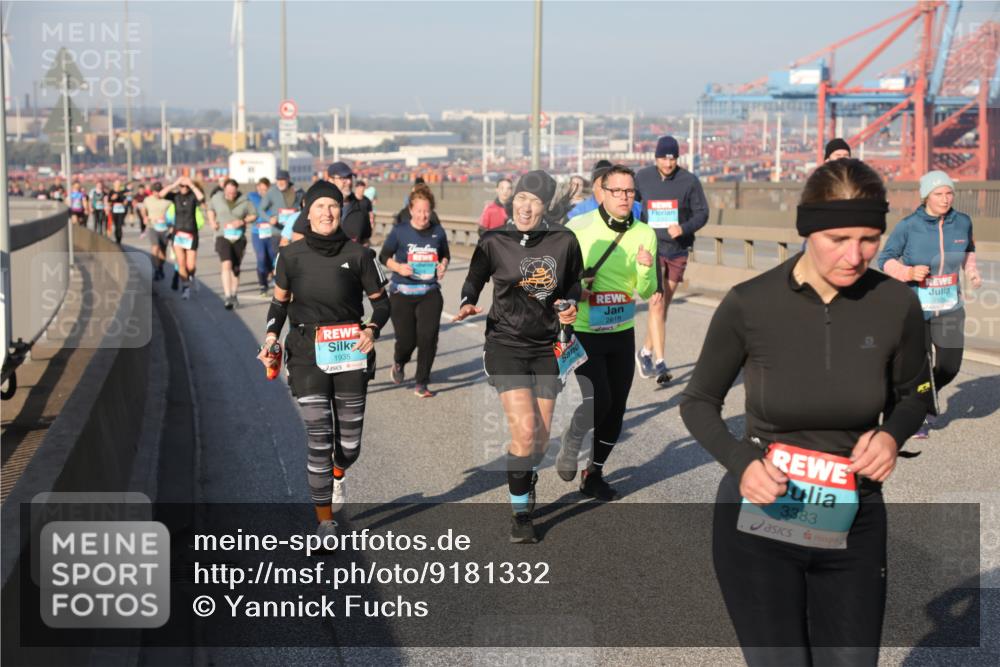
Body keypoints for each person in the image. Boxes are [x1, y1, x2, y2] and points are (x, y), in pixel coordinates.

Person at [680, 159, 932, 666]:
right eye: (838, 238)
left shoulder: (896, 304)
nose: (855, 255)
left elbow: (915, 393)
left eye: (869, 238)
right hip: (760, 523)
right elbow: (698, 402)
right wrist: (741, 463)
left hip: (853, 522)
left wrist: (890, 436)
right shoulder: (750, 305)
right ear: (807, 231)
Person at [453, 170, 583, 543]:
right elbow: (475, 277)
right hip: (505, 344)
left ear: (546, 207)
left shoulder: (564, 240)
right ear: (514, 201)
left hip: (546, 347)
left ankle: (526, 474)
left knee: (539, 441)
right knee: (525, 432)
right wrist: (466, 301)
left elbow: (575, 281)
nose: (526, 207)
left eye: (535, 201)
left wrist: (571, 302)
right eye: (521, 198)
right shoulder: (495, 240)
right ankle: (521, 514)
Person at [256, 180, 390, 542]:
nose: (327, 213)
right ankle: (325, 521)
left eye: (333, 206)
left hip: (350, 352)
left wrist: (372, 329)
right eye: (319, 207)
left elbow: (381, 302)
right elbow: (279, 304)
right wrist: (271, 337)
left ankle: (339, 472)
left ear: (341, 212)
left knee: (348, 447)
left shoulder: (360, 255)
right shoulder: (290, 256)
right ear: (307, 212)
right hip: (306, 351)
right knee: (318, 436)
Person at [555, 164, 658, 500]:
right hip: (584, 329)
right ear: (602, 190)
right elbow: (555, 278)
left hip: (621, 330)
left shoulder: (645, 234)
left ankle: (594, 473)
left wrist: (644, 268)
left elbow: (647, 290)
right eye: (618, 191)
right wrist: (576, 286)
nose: (625, 197)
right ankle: (572, 439)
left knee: (617, 409)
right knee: (600, 400)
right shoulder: (579, 227)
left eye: (630, 191)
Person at [877, 170, 982, 438]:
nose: (946, 199)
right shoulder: (908, 226)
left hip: (950, 307)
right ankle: (917, 412)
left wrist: (972, 272)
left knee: (949, 365)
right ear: (926, 197)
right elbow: (885, 258)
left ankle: (922, 395)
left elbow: (968, 249)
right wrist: (908, 273)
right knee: (920, 365)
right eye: (939, 194)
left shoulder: (962, 222)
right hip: (915, 308)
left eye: (949, 193)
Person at [635, 135, 710, 384]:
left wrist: (684, 228)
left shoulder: (689, 181)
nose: (668, 163)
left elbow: (702, 213)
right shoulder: (642, 178)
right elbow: (632, 207)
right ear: (655, 157)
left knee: (664, 305)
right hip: (652, 247)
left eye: (673, 158)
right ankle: (660, 362)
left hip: (677, 249)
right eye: (664, 158)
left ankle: (644, 351)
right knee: (656, 303)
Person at [379, 184, 450, 398]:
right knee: (407, 341)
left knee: (428, 338)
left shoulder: (438, 232)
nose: (422, 215)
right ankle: (400, 362)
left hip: (429, 292)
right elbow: (384, 257)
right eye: (418, 211)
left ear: (432, 211)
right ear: (411, 210)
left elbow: (445, 254)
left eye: (426, 211)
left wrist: (443, 265)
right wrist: (398, 267)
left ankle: (422, 382)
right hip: (402, 293)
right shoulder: (400, 231)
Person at [289, 162, 371, 246]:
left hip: (351, 257)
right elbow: (297, 235)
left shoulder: (361, 205)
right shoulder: (315, 204)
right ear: (331, 180)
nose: (349, 182)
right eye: (343, 178)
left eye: (350, 177)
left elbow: (365, 239)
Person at [208, 178, 257, 310]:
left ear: (237, 191)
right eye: (228, 192)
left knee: (235, 268)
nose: (231, 195)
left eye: (233, 193)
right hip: (222, 235)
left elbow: (254, 215)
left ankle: (234, 294)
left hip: (238, 238)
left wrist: (242, 221)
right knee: (226, 263)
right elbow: (210, 209)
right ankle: (228, 295)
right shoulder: (217, 198)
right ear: (224, 189)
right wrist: (212, 221)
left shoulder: (245, 200)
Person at [162, 176, 206, 300]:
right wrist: (175, 183)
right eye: (182, 186)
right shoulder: (175, 196)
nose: (184, 188)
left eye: (185, 186)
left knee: (190, 265)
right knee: (181, 262)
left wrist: (191, 185)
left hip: (191, 233)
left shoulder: (193, 196)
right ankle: (186, 287)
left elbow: (202, 199)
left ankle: (191, 276)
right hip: (178, 233)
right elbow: (161, 194)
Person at [565, 160, 643, 221]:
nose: (607, 192)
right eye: (603, 187)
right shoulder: (578, 213)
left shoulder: (637, 208)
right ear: (593, 187)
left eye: (615, 189)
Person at [248, 177, 285, 298]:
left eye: (265, 189)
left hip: (272, 232)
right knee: (261, 257)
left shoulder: (274, 197)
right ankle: (262, 284)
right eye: (260, 188)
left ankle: (273, 277)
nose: (262, 191)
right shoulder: (252, 197)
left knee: (273, 258)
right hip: (257, 232)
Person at [143, 182, 173, 281]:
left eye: (159, 191)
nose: (157, 193)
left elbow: (173, 213)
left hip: (164, 228)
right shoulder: (148, 200)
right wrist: (145, 217)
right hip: (152, 226)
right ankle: (155, 269)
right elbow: (143, 209)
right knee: (155, 247)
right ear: (152, 191)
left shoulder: (168, 201)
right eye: (155, 191)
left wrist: (167, 219)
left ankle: (160, 267)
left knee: (163, 251)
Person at [108, 179, 129, 244]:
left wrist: (125, 202)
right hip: (114, 210)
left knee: (120, 225)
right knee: (116, 225)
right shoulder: (111, 191)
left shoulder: (122, 192)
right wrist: (112, 198)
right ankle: (117, 237)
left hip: (121, 210)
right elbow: (109, 201)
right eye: (117, 184)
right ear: (114, 184)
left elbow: (125, 201)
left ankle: (119, 240)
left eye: (119, 184)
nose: (118, 185)